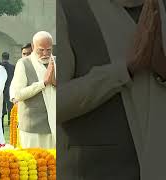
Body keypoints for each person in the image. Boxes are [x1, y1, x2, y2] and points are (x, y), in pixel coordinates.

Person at [59, 0, 166, 179]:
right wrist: (122, 71)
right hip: (95, 168)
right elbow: (57, 103)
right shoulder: (66, 8)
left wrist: (161, 68)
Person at [10, 31, 56, 149]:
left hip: (55, 125)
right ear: (33, 46)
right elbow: (18, 94)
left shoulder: (56, 62)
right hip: (32, 127)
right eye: (41, 50)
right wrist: (43, 83)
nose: (45, 53)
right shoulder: (24, 63)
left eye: (49, 49)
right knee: (34, 165)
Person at [1, 52, 15, 127]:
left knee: (2, 107)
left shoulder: (0, 66)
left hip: (2, 90)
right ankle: (10, 121)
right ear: (8, 58)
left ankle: (2, 122)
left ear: (2, 57)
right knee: (10, 107)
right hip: (10, 89)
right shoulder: (12, 67)